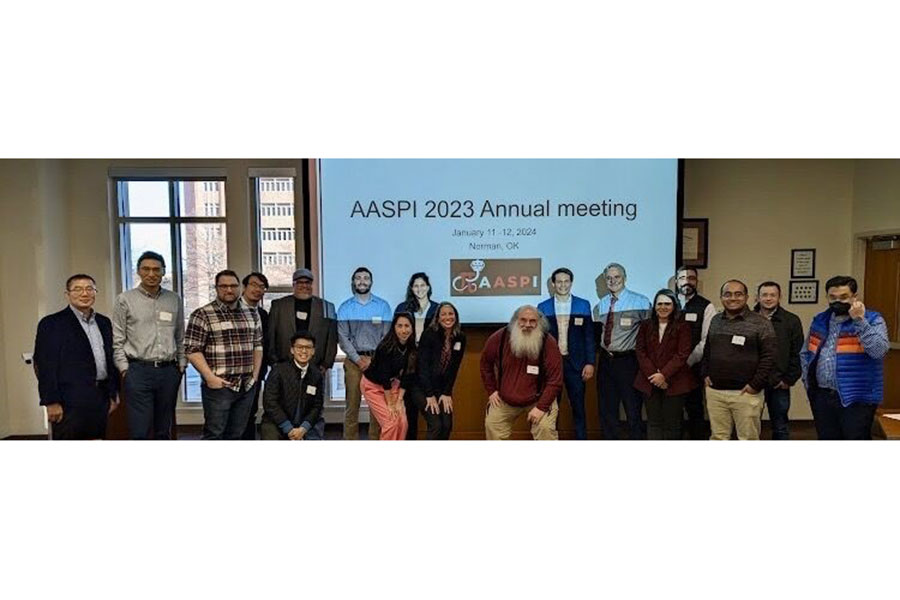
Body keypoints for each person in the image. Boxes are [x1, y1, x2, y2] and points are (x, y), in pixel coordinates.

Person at [801, 275, 890, 440]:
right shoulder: (820, 320)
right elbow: (806, 353)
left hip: (858, 398)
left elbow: (879, 351)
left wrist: (859, 321)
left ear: (854, 297)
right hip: (823, 396)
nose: (837, 301)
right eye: (832, 297)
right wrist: (808, 383)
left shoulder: (873, 319)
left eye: (843, 297)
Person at [34, 274, 119, 440]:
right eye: (77, 289)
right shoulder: (51, 324)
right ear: (67, 294)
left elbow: (110, 359)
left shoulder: (104, 322)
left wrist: (113, 393)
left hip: (100, 396)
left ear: (95, 292)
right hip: (68, 401)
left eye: (89, 289)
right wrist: (51, 401)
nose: (84, 293)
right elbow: (44, 365)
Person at [112, 251, 185, 440]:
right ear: (138, 271)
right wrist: (124, 369)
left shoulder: (174, 299)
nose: (151, 274)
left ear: (163, 272)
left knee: (164, 428)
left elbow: (179, 335)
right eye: (146, 269)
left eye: (156, 269)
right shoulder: (125, 299)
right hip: (138, 371)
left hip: (169, 371)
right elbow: (117, 339)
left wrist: (181, 364)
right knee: (140, 429)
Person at [185, 270, 263, 440]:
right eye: (224, 286)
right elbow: (192, 350)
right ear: (216, 288)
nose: (229, 290)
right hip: (219, 387)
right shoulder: (203, 314)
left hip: (246, 386)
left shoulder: (251, 312)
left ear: (240, 288)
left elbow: (257, 345)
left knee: (237, 435)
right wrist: (210, 377)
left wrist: (255, 376)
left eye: (233, 286)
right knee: (215, 434)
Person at [702, 280, 776, 441]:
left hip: (746, 393)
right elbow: (708, 349)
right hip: (716, 392)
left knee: (747, 439)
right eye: (727, 294)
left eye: (738, 294)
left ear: (747, 297)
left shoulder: (761, 323)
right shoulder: (715, 320)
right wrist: (705, 374)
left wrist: (755, 385)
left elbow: (769, 357)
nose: (733, 298)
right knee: (718, 437)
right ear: (721, 297)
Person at [480, 305, 563, 441]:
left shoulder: (548, 342)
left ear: (539, 323)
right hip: (505, 399)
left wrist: (541, 408)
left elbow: (555, 380)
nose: (527, 325)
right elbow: (485, 364)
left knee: (545, 429)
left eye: (532, 321)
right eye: (523, 320)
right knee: (492, 424)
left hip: (538, 399)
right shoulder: (499, 338)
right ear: (515, 321)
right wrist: (491, 390)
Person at [592, 262, 652, 440]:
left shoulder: (640, 301)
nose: (613, 281)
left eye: (616, 277)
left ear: (624, 278)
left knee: (633, 408)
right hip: (605, 361)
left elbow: (649, 334)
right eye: (609, 278)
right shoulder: (600, 305)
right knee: (607, 409)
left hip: (629, 361)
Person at [537, 267, 595, 440]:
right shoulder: (543, 307)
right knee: (551, 407)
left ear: (571, 283)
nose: (563, 285)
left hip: (576, 365)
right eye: (559, 281)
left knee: (578, 407)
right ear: (553, 284)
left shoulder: (583, 305)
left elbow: (589, 337)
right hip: (552, 365)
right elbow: (540, 339)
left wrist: (590, 362)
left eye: (566, 281)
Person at [337, 267, 393, 440]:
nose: (362, 281)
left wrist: (373, 360)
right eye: (358, 278)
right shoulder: (345, 307)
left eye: (366, 278)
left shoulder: (383, 306)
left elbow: (387, 336)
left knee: (376, 407)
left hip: (377, 362)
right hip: (353, 363)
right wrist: (357, 359)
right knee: (351, 406)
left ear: (371, 282)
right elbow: (342, 337)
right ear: (353, 282)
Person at [634, 289, 697, 440]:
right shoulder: (646, 325)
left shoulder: (683, 326)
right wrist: (654, 376)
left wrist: (663, 375)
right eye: (659, 303)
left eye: (667, 304)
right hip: (649, 381)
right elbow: (640, 351)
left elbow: (682, 354)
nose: (663, 307)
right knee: (653, 422)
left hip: (675, 381)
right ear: (654, 306)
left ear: (674, 306)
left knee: (672, 423)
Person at [753, 281, 804, 440]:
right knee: (749, 425)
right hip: (752, 382)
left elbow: (798, 352)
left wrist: (789, 379)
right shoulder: (748, 318)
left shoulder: (791, 320)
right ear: (757, 297)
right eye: (765, 295)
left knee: (780, 425)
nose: (768, 298)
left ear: (779, 297)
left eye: (772, 295)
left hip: (779, 382)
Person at [394, 272, 439, 439]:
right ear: (411, 289)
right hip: (407, 365)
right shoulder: (402, 308)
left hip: (429, 365)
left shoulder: (437, 309)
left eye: (422, 285)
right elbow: (395, 334)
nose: (419, 289)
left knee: (432, 415)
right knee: (409, 413)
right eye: (415, 286)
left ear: (428, 287)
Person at [360, 313, 417, 441]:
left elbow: (408, 374)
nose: (404, 330)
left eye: (407, 326)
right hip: (373, 386)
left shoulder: (412, 347)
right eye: (400, 326)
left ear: (412, 328)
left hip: (393, 385)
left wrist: (399, 400)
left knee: (402, 423)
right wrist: (391, 403)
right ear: (394, 328)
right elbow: (384, 377)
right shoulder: (385, 347)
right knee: (391, 423)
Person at [267, 268, 338, 371]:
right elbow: (271, 335)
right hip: (284, 366)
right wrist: (274, 362)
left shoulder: (327, 307)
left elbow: (332, 339)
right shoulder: (278, 306)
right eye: (300, 282)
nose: (304, 286)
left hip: (316, 368)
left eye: (308, 282)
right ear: (293, 284)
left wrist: (326, 364)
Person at [675, 265, 717, 439]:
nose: (687, 281)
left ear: (696, 281)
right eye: (683, 278)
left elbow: (707, 339)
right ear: (677, 281)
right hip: (669, 369)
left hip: (693, 367)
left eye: (691, 278)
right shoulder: (667, 302)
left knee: (695, 408)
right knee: (672, 409)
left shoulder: (706, 306)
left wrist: (687, 361)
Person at [261, 332, 326, 440]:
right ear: (292, 350)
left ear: (313, 351)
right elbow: (270, 402)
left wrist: (303, 428)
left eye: (308, 348)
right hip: (278, 422)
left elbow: (317, 406)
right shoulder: (278, 371)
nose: (304, 351)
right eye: (299, 347)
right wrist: (288, 428)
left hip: (305, 424)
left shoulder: (316, 375)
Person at [416, 302, 466, 440]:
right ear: (437, 318)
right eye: (443, 314)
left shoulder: (460, 337)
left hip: (441, 388)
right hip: (421, 386)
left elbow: (454, 367)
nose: (447, 317)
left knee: (447, 424)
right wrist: (429, 394)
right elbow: (422, 367)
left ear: (456, 317)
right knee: (436, 425)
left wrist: (446, 392)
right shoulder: (429, 335)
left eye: (451, 314)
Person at [240, 272, 270, 440]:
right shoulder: (232, 309)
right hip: (230, 373)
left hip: (255, 373)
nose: (257, 289)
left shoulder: (263, 314)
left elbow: (265, 343)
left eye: (261, 287)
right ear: (244, 287)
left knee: (250, 412)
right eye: (254, 285)